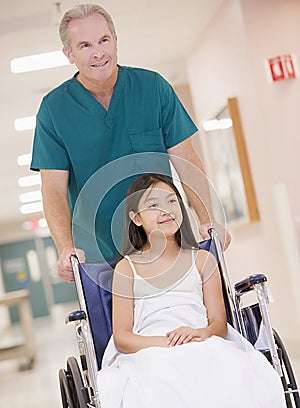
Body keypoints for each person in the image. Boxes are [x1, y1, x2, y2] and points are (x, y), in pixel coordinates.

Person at [88, 173, 295, 408]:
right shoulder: (128, 269)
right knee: (159, 372)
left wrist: (196, 334)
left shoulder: (202, 260)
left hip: (202, 339)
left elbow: (218, 325)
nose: (166, 210)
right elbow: (123, 337)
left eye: (172, 201)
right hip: (149, 347)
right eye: (153, 205)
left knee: (225, 364)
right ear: (136, 218)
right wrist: (165, 343)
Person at [30, 3, 230, 283]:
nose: (98, 52)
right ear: (69, 54)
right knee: (120, 326)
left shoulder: (153, 88)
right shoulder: (54, 110)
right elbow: (52, 188)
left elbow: (185, 159)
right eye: (85, 45)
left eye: (104, 40)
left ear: (115, 40)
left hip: (167, 244)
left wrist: (208, 218)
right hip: (101, 256)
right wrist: (65, 248)